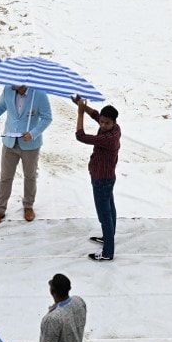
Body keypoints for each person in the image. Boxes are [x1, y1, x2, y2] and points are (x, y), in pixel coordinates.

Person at [0, 85, 52, 226]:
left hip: (30, 145)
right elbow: (1, 105)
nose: (10, 81)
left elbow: (47, 117)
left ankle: (28, 206)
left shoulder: (39, 94)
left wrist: (33, 133)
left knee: (30, 176)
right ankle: (0, 210)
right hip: (9, 142)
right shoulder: (8, 89)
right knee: (5, 177)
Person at [73, 96, 121, 261]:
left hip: (102, 180)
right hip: (106, 177)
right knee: (110, 209)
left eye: (106, 123)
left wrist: (79, 113)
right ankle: (109, 238)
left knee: (104, 215)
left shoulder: (108, 138)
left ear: (114, 122)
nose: (102, 125)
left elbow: (80, 136)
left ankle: (108, 252)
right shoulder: (114, 129)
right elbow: (95, 114)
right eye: (101, 122)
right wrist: (82, 105)